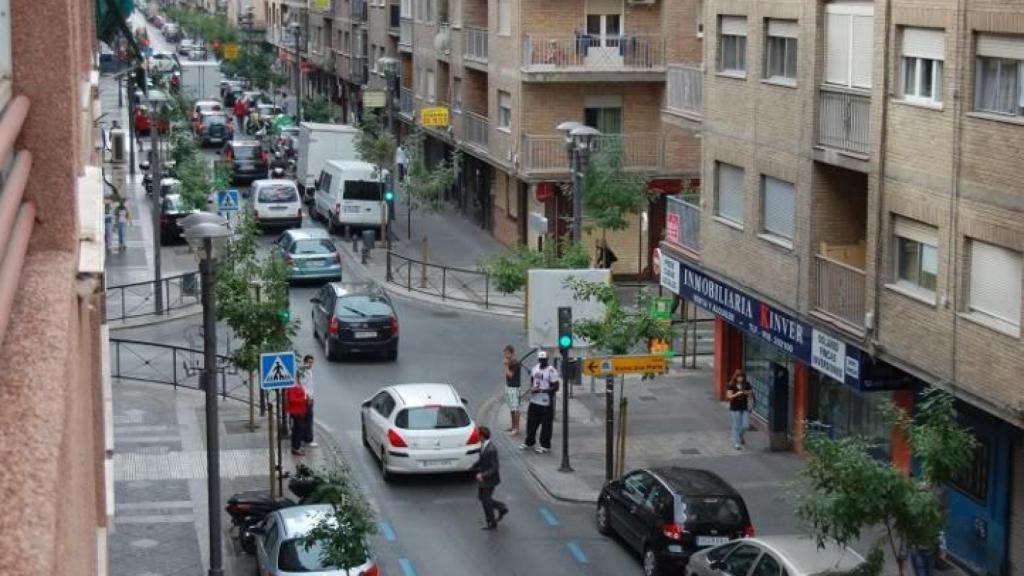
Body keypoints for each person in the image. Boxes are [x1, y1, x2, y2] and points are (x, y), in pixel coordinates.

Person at [520, 350, 560, 454]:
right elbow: (533, 380)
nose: (542, 362)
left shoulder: (551, 371)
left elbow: (556, 387)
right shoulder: (535, 368)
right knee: (531, 423)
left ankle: (545, 445)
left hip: (545, 402)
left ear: (547, 360)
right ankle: (529, 442)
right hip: (534, 401)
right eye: (540, 360)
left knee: (546, 425)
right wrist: (533, 388)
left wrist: (543, 390)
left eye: (544, 360)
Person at [473, 426, 508, 530]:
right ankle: (501, 507)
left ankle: (491, 522)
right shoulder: (484, 446)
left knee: (486, 501)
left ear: (482, 436)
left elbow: (495, 467)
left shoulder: (491, 449)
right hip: (485, 479)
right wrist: (472, 466)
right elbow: (482, 460)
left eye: (478, 434)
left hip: (489, 480)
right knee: (482, 498)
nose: (477, 436)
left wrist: (482, 475)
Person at [726, 369, 754, 450]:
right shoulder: (732, 385)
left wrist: (747, 392)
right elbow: (728, 397)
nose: (740, 379)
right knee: (736, 426)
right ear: (736, 377)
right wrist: (736, 394)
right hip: (734, 408)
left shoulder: (746, 384)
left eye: (742, 377)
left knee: (745, 425)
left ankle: (740, 436)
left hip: (744, 407)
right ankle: (736, 443)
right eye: (739, 377)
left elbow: (751, 392)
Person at [285, 378, 309, 456]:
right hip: (296, 412)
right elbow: (292, 400)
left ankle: (296, 447)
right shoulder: (292, 387)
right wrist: (304, 399)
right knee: (299, 430)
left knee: (298, 429)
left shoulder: (298, 385)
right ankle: (296, 448)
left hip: (300, 411)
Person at [502, 345, 522, 435]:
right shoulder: (510, 362)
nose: (506, 355)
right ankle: (513, 426)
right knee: (511, 408)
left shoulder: (514, 363)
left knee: (515, 408)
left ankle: (516, 428)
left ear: (512, 353)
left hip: (514, 388)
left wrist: (506, 366)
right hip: (509, 387)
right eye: (505, 353)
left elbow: (510, 375)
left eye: (507, 353)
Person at [299, 355, 317, 448]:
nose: (310, 364)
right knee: (308, 418)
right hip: (306, 399)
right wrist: (308, 398)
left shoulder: (309, 371)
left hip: (309, 397)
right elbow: (303, 386)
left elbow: (310, 386)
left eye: (311, 362)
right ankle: (308, 439)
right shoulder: (304, 372)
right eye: (309, 362)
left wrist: (312, 397)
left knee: (307, 418)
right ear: (305, 362)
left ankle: (305, 438)